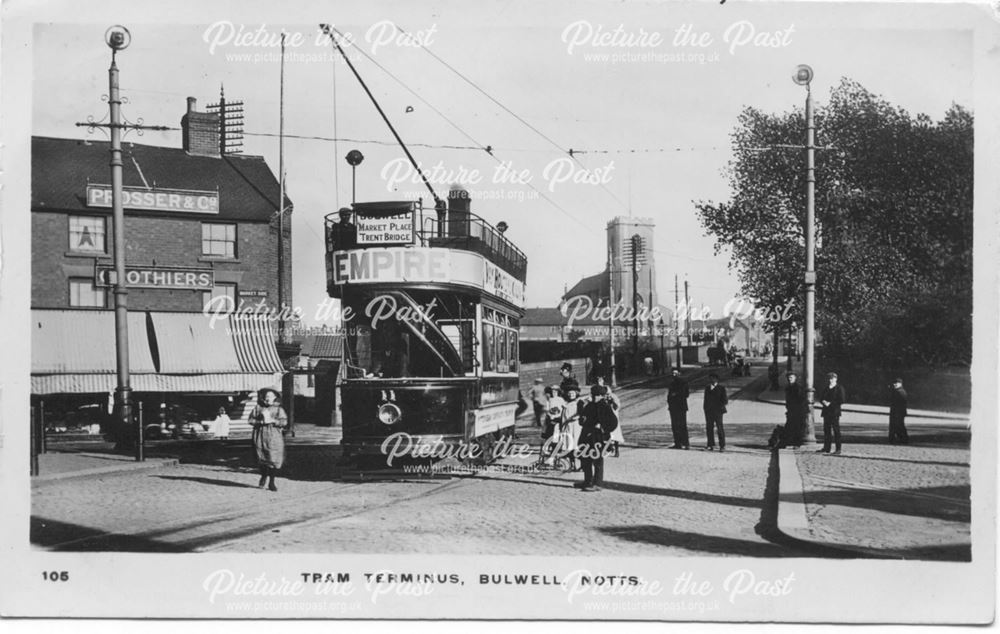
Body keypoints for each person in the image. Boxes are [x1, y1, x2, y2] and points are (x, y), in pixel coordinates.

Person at [575, 385, 618, 492]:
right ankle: (587, 481)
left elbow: (613, 423)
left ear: (602, 396)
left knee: (597, 461)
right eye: (594, 395)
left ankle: (598, 483)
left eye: (598, 395)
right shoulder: (589, 406)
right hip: (586, 436)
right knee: (585, 460)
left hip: (599, 438)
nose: (595, 397)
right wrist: (582, 418)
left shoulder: (605, 406)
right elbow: (582, 419)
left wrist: (602, 427)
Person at [250, 387, 288, 491]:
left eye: (270, 397)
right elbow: (250, 420)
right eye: (266, 396)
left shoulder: (279, 409)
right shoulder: (258, 408)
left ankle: (272, 482)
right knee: (261, 458)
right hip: (260, 435)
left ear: (275, 398)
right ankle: (263, 476)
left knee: (273, 458)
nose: (268, 399)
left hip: (274, 435)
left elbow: (284, 422)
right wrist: (260, 422)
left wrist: (273, 421)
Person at [818, 372, 846, 454]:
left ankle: (838, 449)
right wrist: (823, 401)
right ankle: (827, 447)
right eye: (829, 379)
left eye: (832, 378)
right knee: (826, 430)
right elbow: (821, 397)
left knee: (836, 430)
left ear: (836, 379)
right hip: (826, 411)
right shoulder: (826, 388)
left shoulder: (839, 388)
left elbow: (842, 400)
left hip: (834, 411)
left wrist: (830, 403)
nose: (830, 380)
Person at [595, 376, 623, 456]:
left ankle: (617, 449)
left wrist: (611, 401)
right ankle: (609, 447)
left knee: (615, 433)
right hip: (605, 417)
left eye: (600, 380)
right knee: (606, 433)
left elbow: (617, 406)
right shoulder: (600, 396)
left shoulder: (613, 396)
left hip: (613, 417)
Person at [559, 385, 583, 471]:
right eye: (569, 393)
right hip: (567, 427)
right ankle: (572, 465)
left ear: (576, 393)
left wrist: (575, 417)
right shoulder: (565, 404)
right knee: (569, 446)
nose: (571, 395)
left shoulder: (579, 402)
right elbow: (562, 417)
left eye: (572, 393)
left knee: (577, 445)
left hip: (576, 427)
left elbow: (581, 413)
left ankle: (582, 465)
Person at [540, 385, 565, 467]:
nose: (554, 393)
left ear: (558, 392)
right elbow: (547, 409)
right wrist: (550, 415)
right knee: (548, 437)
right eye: (552, 391)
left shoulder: (560, 400)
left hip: (557, 420)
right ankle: (546, 456)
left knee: (555, 438)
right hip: (550, 420)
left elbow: (563, 409)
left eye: (555, 391)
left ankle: (553, 458)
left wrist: (558, 416)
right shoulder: (549, 400)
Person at [703, 373, 728, 451]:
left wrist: (718, 407)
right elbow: (705, 399)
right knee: (709, 428)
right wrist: (705, 409)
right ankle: (710, 444)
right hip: (709, 411)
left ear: (717, 379)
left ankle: (722, 445)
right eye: (710, 378)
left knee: (719, 428)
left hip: (718, 411)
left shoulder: (721, 388)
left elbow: (725, 400)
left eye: (713, 378)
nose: (712, 380)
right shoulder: (707, 388)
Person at [782, 371, 808, 447]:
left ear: (795, 378)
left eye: (791, 377)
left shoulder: (798, 387)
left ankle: (797, 443)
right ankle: (790, 442)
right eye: (788, 378)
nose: (789, 379)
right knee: (790, 426)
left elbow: (801, 399)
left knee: (797, 427)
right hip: (791, 410)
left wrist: (797, 409)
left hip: (798, 410)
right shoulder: (788, 387)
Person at [667, 368, 690, 449]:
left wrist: (675, 395)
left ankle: (686, 443)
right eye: (673, 373)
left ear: (679, 374)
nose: (674, 375)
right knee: (674, 426)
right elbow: (669, 395)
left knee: (682, 425)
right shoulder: (671, 383)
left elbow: (686, 394)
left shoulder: (684, 383)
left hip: (681, 406)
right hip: (673, 407)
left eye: (675, 373)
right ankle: (677, 443)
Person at [888, 378, 909, 444]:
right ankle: (901, 438)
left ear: (900, 384)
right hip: (898, 412)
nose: (894, 384)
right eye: (894, 383)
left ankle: (900, 439)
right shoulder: (900, 391)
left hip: (897, 412)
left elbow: (900, 403)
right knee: (899, 425)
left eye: (896, 383)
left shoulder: (899, 392)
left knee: (897, 425)